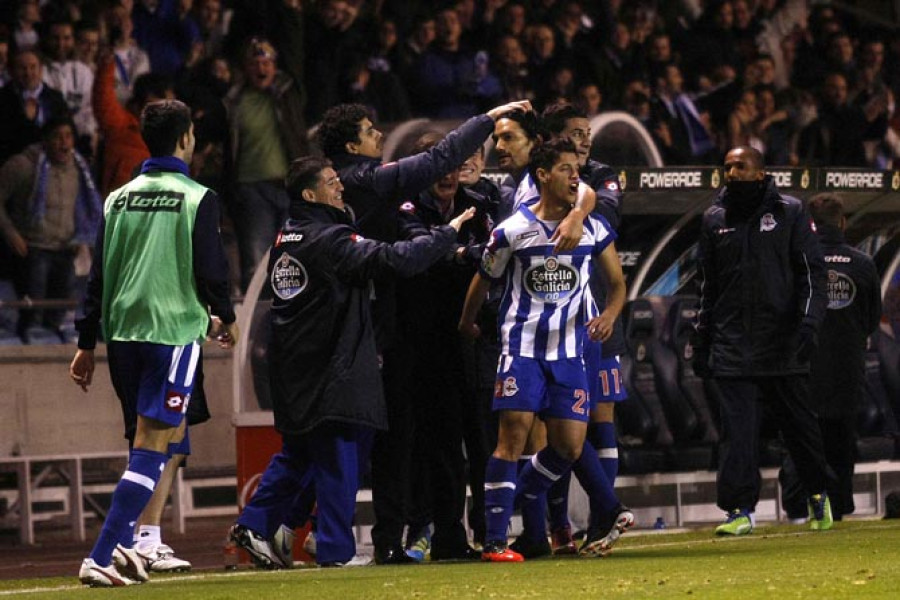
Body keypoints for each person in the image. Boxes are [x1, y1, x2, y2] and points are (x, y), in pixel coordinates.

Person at [229, 156, 475, 568]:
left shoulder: (286, 238)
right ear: (310, 195)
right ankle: (334, 549)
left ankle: (257, 524)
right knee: (339, 457)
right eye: (330, 183)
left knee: (301, 455)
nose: (339, 187)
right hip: (331, 367)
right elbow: (394, 260)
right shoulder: (330, 239)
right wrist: (445, 236)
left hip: (299, 366)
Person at [315, 98, 531, 565]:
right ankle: (392, 536)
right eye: (371, 131)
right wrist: (490, 118)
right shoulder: (379, 188)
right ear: (353, 144)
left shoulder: (482, 200)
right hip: (399, 333)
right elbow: (419, 251)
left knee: (446, 439)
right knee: (396, 442)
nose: (378, 137)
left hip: (447, 337)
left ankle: (446, 534)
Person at [70, 99, 238, 586]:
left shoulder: (117, 198)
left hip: (122, 335)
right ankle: (105, 552)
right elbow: (211, 268)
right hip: (173, 334)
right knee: (154, 445)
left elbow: (98, 276)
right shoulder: (196, 196)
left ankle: (126, 547)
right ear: (186, 139)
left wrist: (85, 342)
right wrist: (226, 316)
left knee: (151, 442)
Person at [458, 139, 629, 562]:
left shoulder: (591, 226)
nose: (576, 175)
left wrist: (609, 314)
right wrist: (467, 321)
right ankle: (496, 541)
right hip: (522, 348)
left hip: (571, 352)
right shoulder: (513, 229)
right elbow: (484, 279)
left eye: (577, 169)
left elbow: (618, 283)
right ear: (543, 175)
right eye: (566, 168)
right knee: (512, 437)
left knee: (570, 447)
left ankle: (511, 502)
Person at [692, 145, 833, 536]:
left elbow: (811, 274)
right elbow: (708, 286)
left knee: (800, 429)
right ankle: (740, 509)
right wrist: (702, 341)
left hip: (783, 343)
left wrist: (808, 325)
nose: (732, 172)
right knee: (737, 434)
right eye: (727, 167)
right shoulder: (714, 219)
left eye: (740, 166)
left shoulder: (790, 212)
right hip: (733, 345)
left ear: (760, 172)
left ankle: (818, 492)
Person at [397, 133, 494, 562]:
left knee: (483, 442)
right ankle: (448, 536)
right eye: (440, 166)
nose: (449, 175)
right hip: (427, 343)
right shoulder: (406, 209)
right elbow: (425, 257)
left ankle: (492, 534)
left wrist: (462, 254)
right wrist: (462, 254)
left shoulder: (480, 205)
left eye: (454, 165)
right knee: (441, 445)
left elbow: (494, 256)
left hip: (474, 339)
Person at [539, 101, 629, 556]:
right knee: (553, 427)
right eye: (576, 132)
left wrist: (577, 208)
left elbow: (606, 217)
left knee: (600, 418)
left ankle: (600, 523)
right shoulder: (534, 179)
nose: (586, 139)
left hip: (596, 321)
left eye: (588, 131)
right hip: (547, 327)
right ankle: (558, 526)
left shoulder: (603, 174)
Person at [781, 193, 882, 521]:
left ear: (809, 224)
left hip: (804, 368)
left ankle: (799, 508)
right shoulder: (864, 264)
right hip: (847, 372)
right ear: (842, 222)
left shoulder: (798, 262)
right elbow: (871, 320)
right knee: (841, 442)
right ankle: (838, 507)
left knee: (801, 439)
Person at [0, 117, 101, 344]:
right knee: (33, 310)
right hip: (34, 249)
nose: (63, 143)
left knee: (60, 311)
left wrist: (82, 236)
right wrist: (10, 233)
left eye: (68, 136)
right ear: (45, 140)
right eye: (57, 137)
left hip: (67, 249)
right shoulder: (24, 165)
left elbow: (85, 207)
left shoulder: (80, 169)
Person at [224, 37, 308, 291]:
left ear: (275, 67)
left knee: (293, 258)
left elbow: (297, 63)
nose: (261, 69)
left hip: (287, 186)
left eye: (266, 63)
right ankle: (256, 319)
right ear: (246, 68)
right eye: (255, 63)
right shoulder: (235, 101)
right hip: (252, 188)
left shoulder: (287, 94)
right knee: (257, 260)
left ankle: (292, 314)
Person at [0, 49, 71, 165]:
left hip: (53, 165)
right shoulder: (3, 99)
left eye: (33, 67)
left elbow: (68, 131)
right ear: (11, 72)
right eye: (22, 68)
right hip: (15, 166)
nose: (28, 73)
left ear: (41, 70)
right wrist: (26, 119)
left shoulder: (55, 98)